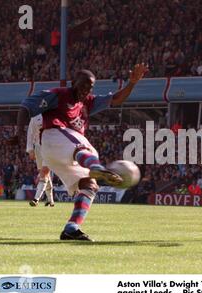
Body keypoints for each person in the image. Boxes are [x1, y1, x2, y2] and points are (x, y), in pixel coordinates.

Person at [17, 63, 148, 241]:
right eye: (83, 84)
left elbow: (116, 99)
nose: (86, 89)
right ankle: (97, 167)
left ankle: (71, 228)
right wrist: (19, 133)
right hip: (53, 137)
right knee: (83, 146)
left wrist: (132, 83)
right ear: (73, 83)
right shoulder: (58, 94)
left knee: (89, 185)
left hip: (63, 154)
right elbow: (26, 105)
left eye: (90, 87)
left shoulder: (88, 102)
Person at [26, 113, 55, 207]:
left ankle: (36, 199)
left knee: (44, 173)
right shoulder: (35, 117)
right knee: (45, 175)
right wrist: (30, 149)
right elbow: (30, 134)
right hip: (38, 148)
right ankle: (51, 201)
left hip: (50, 147)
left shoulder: (53, 114)